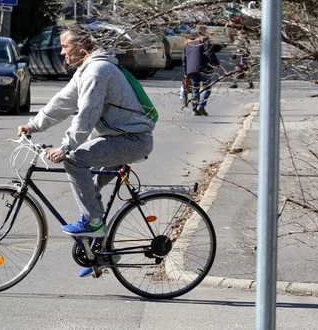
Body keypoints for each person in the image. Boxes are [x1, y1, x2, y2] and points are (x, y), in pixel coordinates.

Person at [16, 26, 155, 277]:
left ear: (80, 47)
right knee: (89, 187)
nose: (61, 52)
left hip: (131, 140)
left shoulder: (97, 71)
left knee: (75, 160)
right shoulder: (86, 70)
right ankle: (101, 252)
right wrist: (33, 125)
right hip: (118, 138)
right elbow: (63, 102)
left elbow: (87, 115)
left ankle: (93, 224)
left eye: (65, 46)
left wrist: (66, 147)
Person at [183, 25, 221, 116]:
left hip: (191, 69)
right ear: (202, 31)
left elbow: (184, 58)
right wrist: (216, 64)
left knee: (195, 88)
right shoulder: (203, 39)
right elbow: (209, 53)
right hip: (204, 67)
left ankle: (194, 109)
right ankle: (201, 106)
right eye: (205, 30)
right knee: (207, 87)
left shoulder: (187, 42)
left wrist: (185, 72)